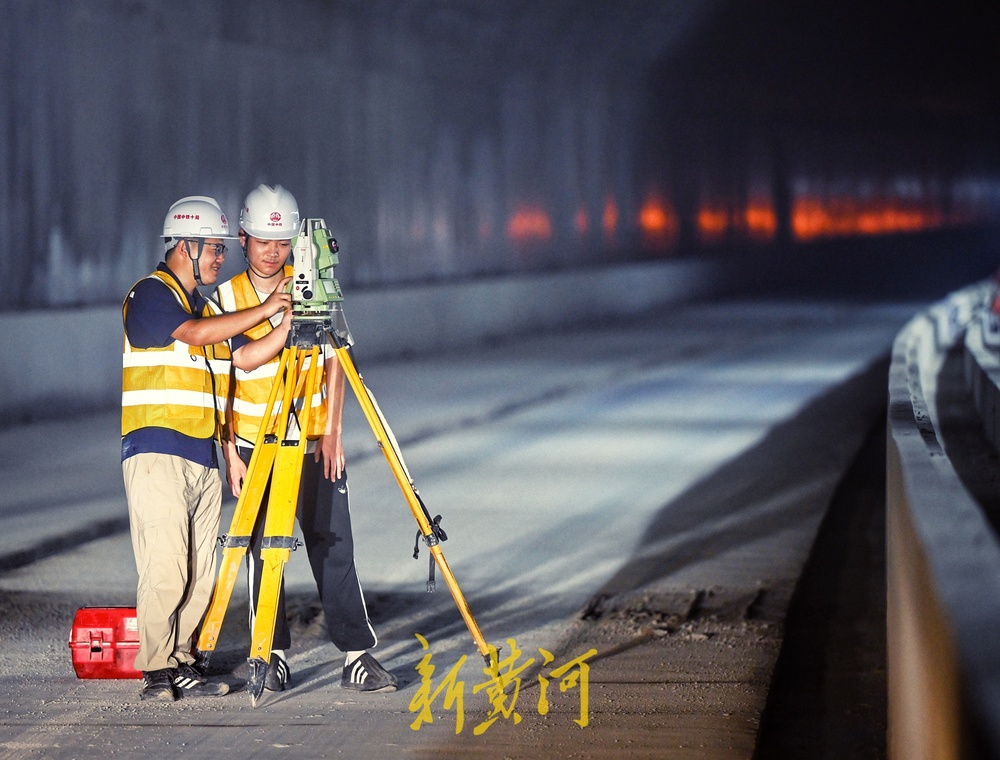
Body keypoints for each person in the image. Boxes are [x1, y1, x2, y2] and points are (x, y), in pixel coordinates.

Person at [215, 184, 396, 694]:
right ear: (244, 240)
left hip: (316, 441)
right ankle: (269, 654)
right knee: (263, 551)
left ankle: (357, 655)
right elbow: (231, 370)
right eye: (262, 241)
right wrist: (229, 451)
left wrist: (334, 431)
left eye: (282, 241)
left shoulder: (315, 282)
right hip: (257, 443)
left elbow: (338, 360)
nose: (272, 251)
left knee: (334, 544)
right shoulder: (226, 299)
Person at [122, 195, 292, 702]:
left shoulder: (209, 307)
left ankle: (182, 662)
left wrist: (288, 323)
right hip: (157, 452)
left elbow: (245, 358)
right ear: (185, 247)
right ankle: (155, 670)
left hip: (202, 457)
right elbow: (193, 335)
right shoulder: (150, 296)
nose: (220, 259)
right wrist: (263, 307)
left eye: (221, 249)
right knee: (167, 565)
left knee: (200, 573)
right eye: (213, 249)